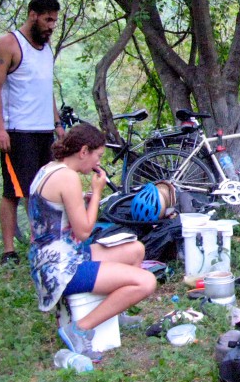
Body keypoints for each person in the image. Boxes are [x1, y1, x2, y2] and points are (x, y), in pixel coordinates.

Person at [28, 122, 156, 361]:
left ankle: (114, 314)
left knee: (135, 250)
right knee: (146, 282)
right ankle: (79, 330)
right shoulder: (68, 178)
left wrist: (83, 200)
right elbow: (85, 231)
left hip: (52, 259)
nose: (98, 163)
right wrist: (97, 193)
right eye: (97, 156)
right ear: (83, 151)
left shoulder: (51, 169)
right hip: (61, 269)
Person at [0, 0, 64, 265]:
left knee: (44, 189)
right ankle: (9, 251)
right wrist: (0, 128)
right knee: (15, 190)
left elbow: (47, 90)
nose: (51, 26)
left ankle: (41, 244)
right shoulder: (9, 43)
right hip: (18, 130)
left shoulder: (46, 49)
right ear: (33, 15)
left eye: (54, 20)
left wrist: (58, 125)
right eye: (47, 19)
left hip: (44, 129)